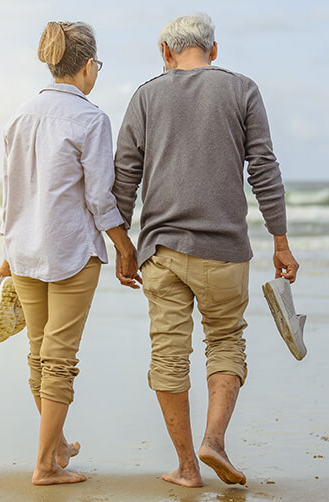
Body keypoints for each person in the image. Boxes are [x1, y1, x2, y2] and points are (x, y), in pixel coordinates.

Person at [112, 13, 299, 487]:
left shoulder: (147, 95)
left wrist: (123, 246)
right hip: (225, 251)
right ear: (213, 51)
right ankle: (213, 440)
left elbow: (124, 177)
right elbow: (264, 169)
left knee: (169, 356)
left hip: (162, 250)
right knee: (226, 342)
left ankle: (187, 467)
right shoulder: (242, 89)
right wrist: (280, 240)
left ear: (166, 54)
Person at [0, 21, 140, 486]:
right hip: (71, 251)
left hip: (24, 251)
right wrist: (123, 246)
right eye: (96, 64)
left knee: (39, 355)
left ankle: (55, 447)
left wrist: (6, 251)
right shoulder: (91, 119)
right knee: (59, 359)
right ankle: (43, 466)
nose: (96, 72)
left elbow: (11, 193)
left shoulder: (20, 115)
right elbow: (100, 198)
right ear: (86, 66)